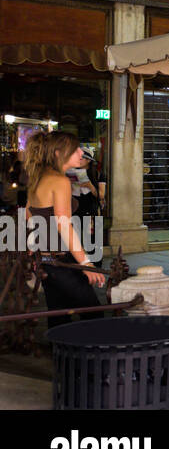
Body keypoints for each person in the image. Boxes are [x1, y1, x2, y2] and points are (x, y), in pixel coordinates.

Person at [23, 132, 105, 329]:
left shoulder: (40, 177)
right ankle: (95, 357)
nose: (80, 153)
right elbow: (63, 224)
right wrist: (86, 263)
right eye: (75, 149)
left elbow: (28, 214)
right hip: (60, 260)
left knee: (58, 316)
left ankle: (65, 357)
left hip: (46, 260)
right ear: (59, 153)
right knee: (93, 312)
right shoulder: (60, 181)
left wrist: (33, 250)